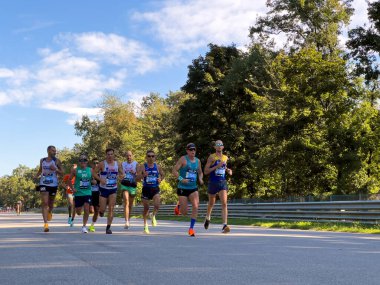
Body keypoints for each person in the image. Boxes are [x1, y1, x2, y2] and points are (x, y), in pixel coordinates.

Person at [172, 143, 203, 236]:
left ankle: (191, 228)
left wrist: (200, 178)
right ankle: (179, 206)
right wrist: (182, 179)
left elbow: (200, 172)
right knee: (184, 212)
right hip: (182, 187)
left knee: (196, 206)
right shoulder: (183, 159)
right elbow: (174, 170)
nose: (193, 151)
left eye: (194, 150)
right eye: (191, 150)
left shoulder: (198, 161)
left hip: (193, 187)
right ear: (187, 151)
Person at [204, 140, 232, 233]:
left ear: (223, 147)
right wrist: (216, 166)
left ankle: (224, 225)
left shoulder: (225, 157)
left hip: (222, 182)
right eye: (217, 145)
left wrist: (228, 170)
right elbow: (206, 171)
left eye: (221, 145)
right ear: (215, 147)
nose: (219, 146)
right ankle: (208, 217)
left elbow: (224, 167)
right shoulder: (211, 157)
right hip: (213, 182)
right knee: (211, 203)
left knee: (224, 203)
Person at [93, 148, 123, 234]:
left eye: (111, 154)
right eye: (108, 154)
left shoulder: (118, 164)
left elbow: (122, 174)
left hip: (113, 189)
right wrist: (100, 179)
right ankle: (101, 212)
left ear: (114, 155)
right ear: (106, 155)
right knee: (102, 209)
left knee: (111, 208)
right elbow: (94, 173)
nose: (110, 156)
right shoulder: (102, 164)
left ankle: (108, 227)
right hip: (103, 189)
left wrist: (120, 177)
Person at [35, 145, 63, 232]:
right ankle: (46, 224)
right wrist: (36, 176)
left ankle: (50, 211)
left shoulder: (57, 161)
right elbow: (40, 170)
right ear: (48, 151)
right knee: (45, 202)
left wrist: (55, 169)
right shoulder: (42, 160)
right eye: (53, 150)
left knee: (50, 204)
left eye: (55, 151)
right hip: (43, 183)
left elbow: (62, 173)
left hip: (53, 184)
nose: (54, 152)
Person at [136, 150, 165, 234]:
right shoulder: (143, 166)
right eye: (149, 156)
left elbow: (163, 174)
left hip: (155, 188)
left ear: (155, 157)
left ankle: (153, 215)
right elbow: (137, 178)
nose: (151, 158)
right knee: (146, 208)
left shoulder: (157, 166)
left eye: (153, 156)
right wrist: (143, 175)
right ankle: (145, 226)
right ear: (146, 157)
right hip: (146, 189)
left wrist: (160, 179)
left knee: (157, 205)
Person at [68, 154, 93, 233]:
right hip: (78, 193)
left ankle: (84, 226)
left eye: (85, 160)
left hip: (87, 192)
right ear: (79, 162)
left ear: (87, 161)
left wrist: (95, 181)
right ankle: (79, 208)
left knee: (86, 208)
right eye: (81, 160)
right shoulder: (75, 170)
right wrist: (72, 188)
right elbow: (69, 180)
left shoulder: (90, 170)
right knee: (78, 212)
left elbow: (95, 179)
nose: (83, 162)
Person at [120, 151, 138, 229]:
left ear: (132, 156)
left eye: (130, 155)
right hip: (125, 184)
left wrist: (135, 172)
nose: (129, 157)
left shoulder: (136, 164)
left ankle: (128, 219)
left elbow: (139, 174)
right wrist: (121, 176)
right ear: (125, 156)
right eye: (127, 156)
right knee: (126, 201)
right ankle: (126, 221)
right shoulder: (123, 164)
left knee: (130, 204)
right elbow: (119, 174)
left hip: (132, 185)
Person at [88, 158, 100, 232]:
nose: (96, 164)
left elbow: (104, 182)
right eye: (94, 163)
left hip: (97, 193)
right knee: (91, 210)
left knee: (97, 211)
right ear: (92, 164)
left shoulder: (101, 173)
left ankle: (92, 225)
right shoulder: (88, 172)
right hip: (89, 192)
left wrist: (97, 182)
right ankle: (85, 222)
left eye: (97, 163)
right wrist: (90, 182)